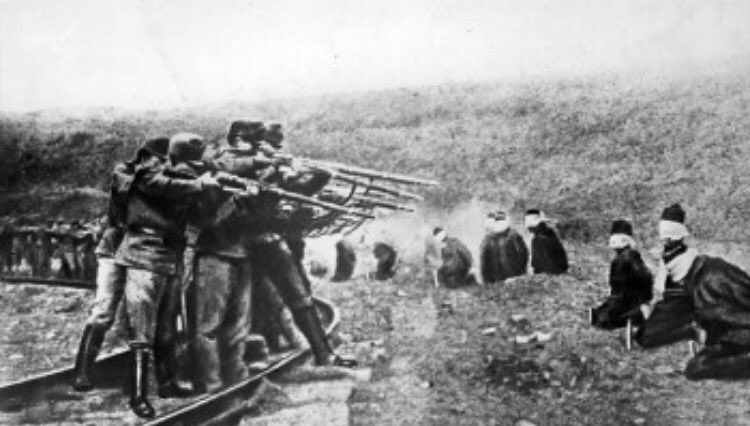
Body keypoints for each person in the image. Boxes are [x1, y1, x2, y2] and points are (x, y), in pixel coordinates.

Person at [114, 132, 219, 418]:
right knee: (141, 326)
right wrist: (199, 183)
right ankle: (138, 396)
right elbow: (157, 183)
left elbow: (202, 216)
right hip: (143, 251)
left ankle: (167, 383)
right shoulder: (146, 171)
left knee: (167, 325)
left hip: (171, 254)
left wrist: (225, 194)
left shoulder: (181, 180)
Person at [72, 137, 169, 393]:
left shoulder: (160, 180)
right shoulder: (125, 172)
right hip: (114, 246)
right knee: (103, 309)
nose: (162, 165)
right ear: (146, 157)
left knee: (139, 313)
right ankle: (82, 372)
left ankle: (137, 377)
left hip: (140, 250)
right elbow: (126, 188)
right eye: (160, 160)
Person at [634, 203, 697, 348]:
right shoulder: (691, 253)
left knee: (643, 338)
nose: (664, 240)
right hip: (687, 301)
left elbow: (661, 287)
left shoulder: (672, 256)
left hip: (677, 303)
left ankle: (688, 332)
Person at [590, 220, 653, 330]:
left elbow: (645, 277)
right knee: (606, 313)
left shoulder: (628, 258)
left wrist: (644, 298)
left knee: (608, 317)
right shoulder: (624, 258)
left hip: (629, 299)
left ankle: (637, 314)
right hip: (624, 298)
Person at [479, 211, 528, 284]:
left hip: (508, 279)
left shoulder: (513, 236)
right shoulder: (488, 240)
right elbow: (484, 263)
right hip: (502, 279)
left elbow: (523, 255)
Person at [525, 209, 568, 274]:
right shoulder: (550, 232)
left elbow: (538, 265)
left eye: (528, 224)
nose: (527, 227)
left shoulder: (538, 240)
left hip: (551, 275)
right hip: (560, 271)